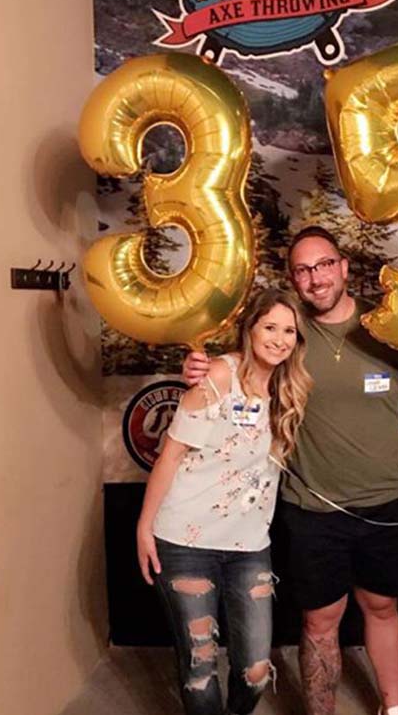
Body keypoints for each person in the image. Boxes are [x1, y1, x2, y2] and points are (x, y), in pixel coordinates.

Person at [183, 227, 398, 715]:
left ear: (343, 267)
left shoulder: (388, 326)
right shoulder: (289, 332)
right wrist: (199, 371)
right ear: (293, 279)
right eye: (302, 270)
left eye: (323, 265)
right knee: (321, 620)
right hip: (313, 509)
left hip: (384, 501)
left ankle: (394, 707)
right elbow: (235, 371)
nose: (315, 278)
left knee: (382, 607)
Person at [137, 287, 313, 715]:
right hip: (185, 542)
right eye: (269, 327)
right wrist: (144, 527)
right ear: (249, 329)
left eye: (289, 331)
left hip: (249, 546)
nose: (279, 339)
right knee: (199, 669)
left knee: (255, 671)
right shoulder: (218, 376)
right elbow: (171, 454)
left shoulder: (289, 388)